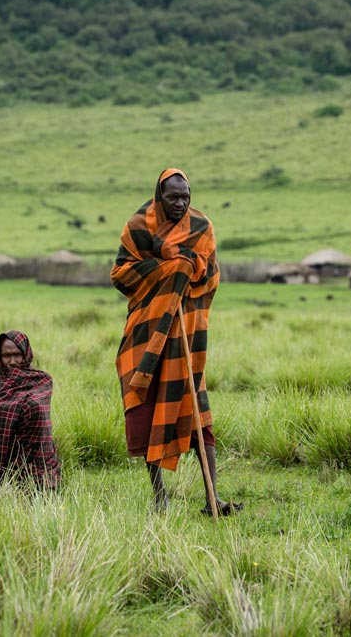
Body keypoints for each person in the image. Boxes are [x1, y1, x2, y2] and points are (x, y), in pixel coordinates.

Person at [111, 167, 241, 515]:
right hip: (148, 333)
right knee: (147, 411)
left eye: (185, 197)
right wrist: (170, 271)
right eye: (173, 198)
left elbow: (211, 277)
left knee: (199, 415)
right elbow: (121, 275)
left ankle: (213, 498)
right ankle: (159, 495)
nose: (180, 203)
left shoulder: (202, 228)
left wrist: (188, 272)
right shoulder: (139, 226)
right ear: (159, 195)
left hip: (187, 329)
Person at [0, 330, 61, 490]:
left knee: (34, 408)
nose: (12, 361)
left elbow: (37, 409)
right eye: (6, 355)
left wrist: (14, 406)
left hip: (33, 451)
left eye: (17, 354)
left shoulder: (41, 379)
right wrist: (19, 405)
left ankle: (29, 475)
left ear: (26, 353)